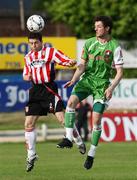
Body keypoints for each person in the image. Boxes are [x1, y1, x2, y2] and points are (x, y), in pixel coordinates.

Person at [57, 15, 123, 170]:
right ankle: (68, 138)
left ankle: (92, 153)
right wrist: (74, 79)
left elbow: (120, 72)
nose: (96, 29)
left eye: (99, 26)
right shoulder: (89, 43)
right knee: (71, 103)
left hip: (102, 85)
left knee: (96, 120)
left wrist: (111, 87)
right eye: (95, 26)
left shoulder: (114, 46)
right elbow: (82, 65)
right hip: (87, 80)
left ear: (107, 28)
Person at [23, 32, 86, 172]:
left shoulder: (50, 52)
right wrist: (28, 76)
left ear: (41, 42)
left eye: (36, 43)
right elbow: (25, 74)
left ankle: (79, 141)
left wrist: (70, 62)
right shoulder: (27, 57)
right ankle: (31, 155)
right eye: (31, 43)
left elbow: (64, 59)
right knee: (28, 123)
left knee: (63, 120)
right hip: (35, 91)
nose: (33, 46)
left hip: (49, 89)